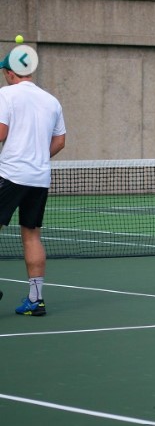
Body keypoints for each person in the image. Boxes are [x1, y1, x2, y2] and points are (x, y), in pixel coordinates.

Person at [0, 42, 66, 315]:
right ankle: (35, 300)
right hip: (39, 178)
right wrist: (37, 156)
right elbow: (60, 141)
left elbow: (1, 133)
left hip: (11, 174)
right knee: (31, 235)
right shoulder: (51, 101)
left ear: (11, 72)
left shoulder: (6, 94)